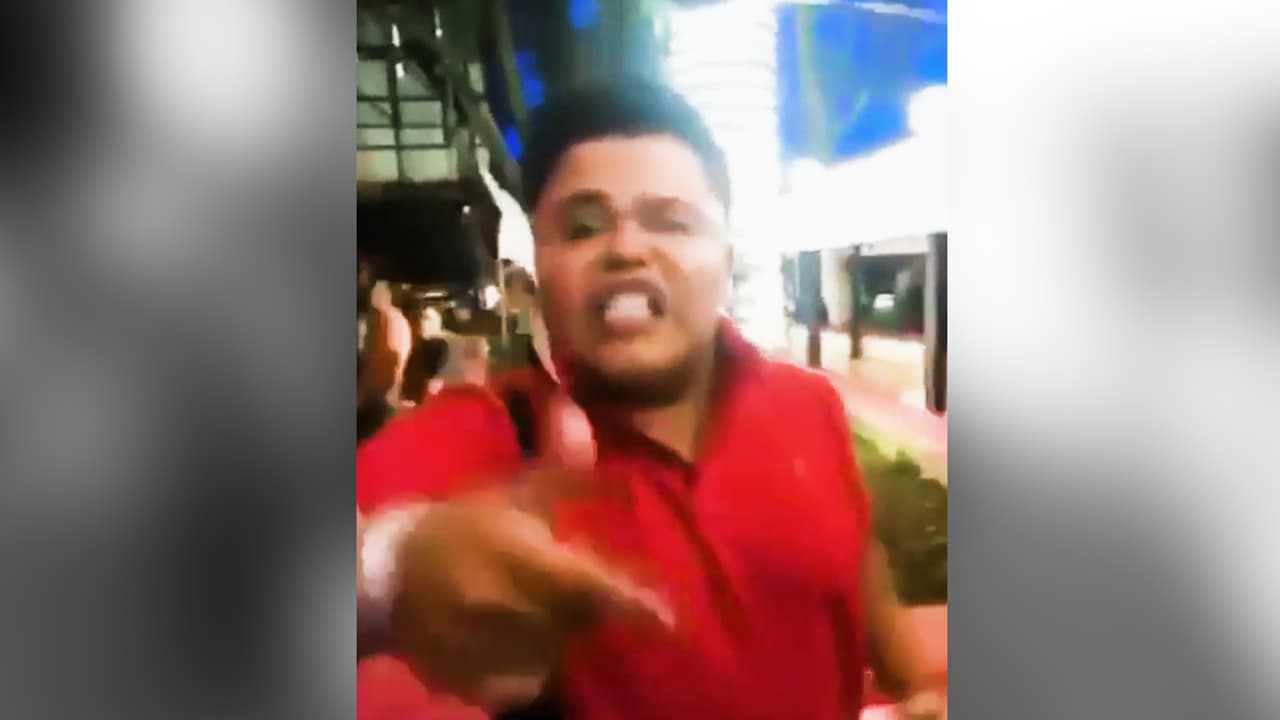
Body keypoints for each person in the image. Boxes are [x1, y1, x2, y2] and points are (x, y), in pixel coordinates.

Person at [356, 78, 946, 719]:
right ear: (536, 267)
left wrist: (925, 685)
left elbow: (861, 592)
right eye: (582, 227)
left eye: (672, 221)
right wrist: (394, 566)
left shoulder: (809, 405)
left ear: (726, 257)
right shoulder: (492, 435)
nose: (627, 249)